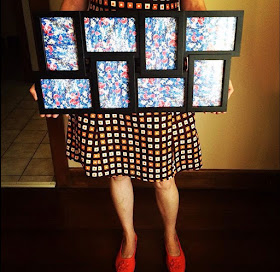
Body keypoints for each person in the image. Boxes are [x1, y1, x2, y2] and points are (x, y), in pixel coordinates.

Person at [30, 0, 234, 271]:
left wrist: (212, 70)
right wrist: (53, 73)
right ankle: (129, 236)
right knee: (116, 168)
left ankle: (171, 235)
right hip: (104, 60)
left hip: (161, 61)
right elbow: (71, 6)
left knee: (164, 175)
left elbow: (194, 6)